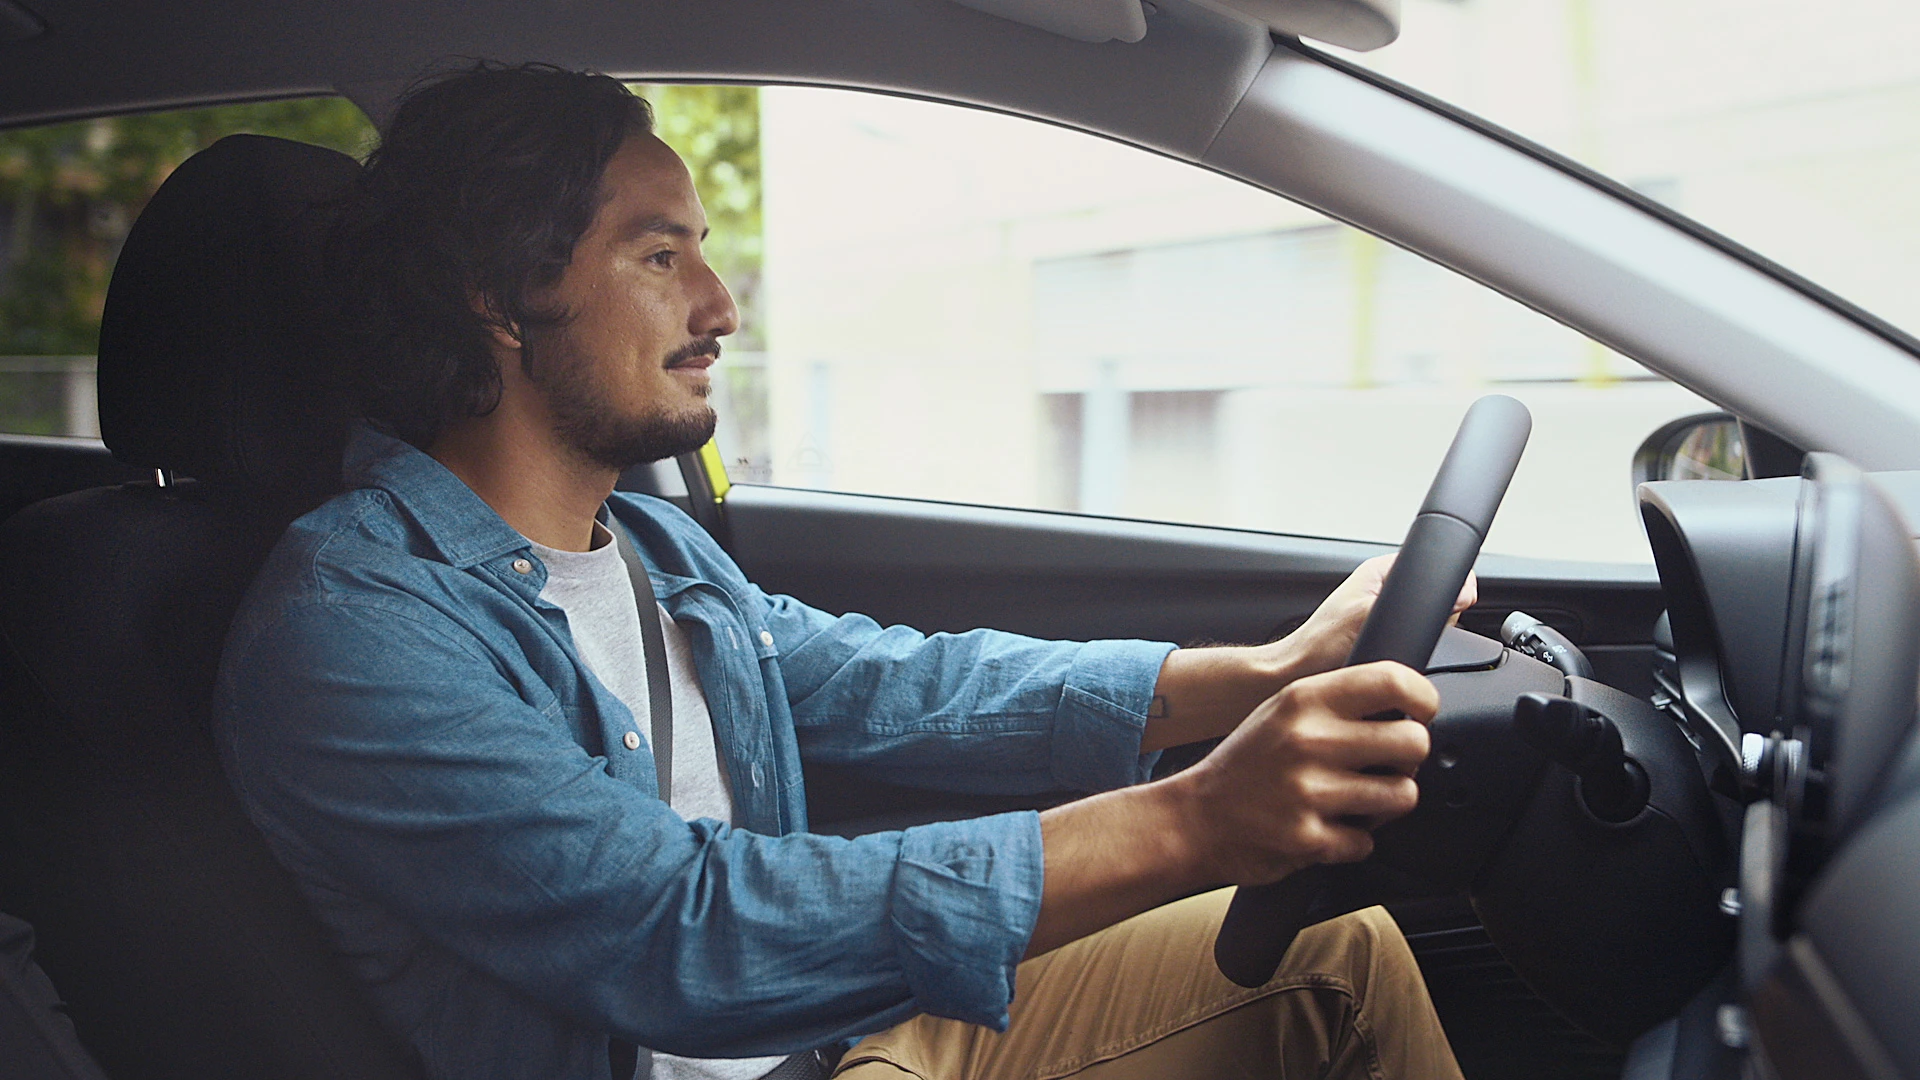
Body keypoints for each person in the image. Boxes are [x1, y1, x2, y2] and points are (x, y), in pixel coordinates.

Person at [213, 63, 1468, 1080]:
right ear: (497, 297)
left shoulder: (651, 549)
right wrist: (1194, 821)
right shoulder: (352, 632)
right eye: (660, 258)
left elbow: (901, 685)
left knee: (1340, 952)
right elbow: (678, 935)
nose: (719, 306)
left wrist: (1259, 676)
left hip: (824, 1048)